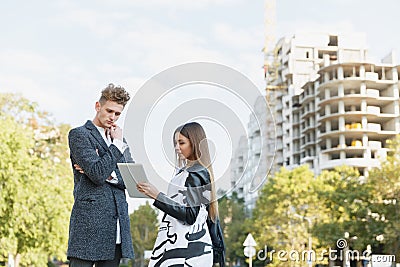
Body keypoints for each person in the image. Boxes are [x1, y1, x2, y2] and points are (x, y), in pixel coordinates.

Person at [67, 84, 134, 267]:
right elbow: (97, 174)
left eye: (117, 114)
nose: (113, 117)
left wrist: (107, 173)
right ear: (98, 106)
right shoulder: (80, 135)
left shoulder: (120, 140)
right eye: (109, 111)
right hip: (89, 225)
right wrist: (116, 148)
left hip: (116, 227)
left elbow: (131, 179)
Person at [137, 122, 221, 267]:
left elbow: (190, 215)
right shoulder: (183, 172)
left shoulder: (197, 172)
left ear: (194, 143)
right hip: (179, 245)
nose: (176, 148)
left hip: (186, 250)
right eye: (175, 143)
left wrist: (158, 196)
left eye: (181, 143)